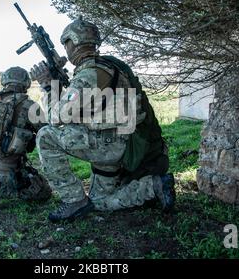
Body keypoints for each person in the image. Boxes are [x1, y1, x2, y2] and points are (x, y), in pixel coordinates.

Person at [31, 17, 176, 222]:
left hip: (109, 146)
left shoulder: (90, 74)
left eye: (66, 44)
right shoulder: (107, 67)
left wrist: (47, 85)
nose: (65, 49)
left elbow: (56, 117)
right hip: (119, 144)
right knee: (99, 202)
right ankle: (153, 186)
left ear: (74, 42)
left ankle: (73, 200)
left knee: (46, 136)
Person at [0, 66, 51, 204]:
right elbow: (47, 131)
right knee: (44, 191)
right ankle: (3, 188)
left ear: (4, 81)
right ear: (26, 84)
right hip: (6, 169)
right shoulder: (28, 105)